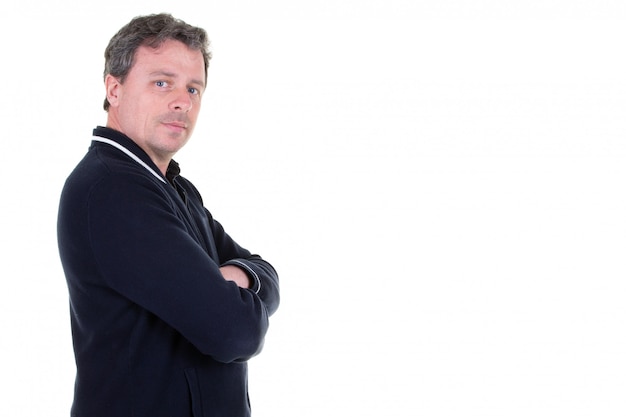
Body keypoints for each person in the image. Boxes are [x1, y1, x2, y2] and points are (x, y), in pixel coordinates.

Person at [57, 13, 280, 417]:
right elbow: (235, 332)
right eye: (162, 83)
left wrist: (239, 276)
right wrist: (225, 287)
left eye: (194, 88)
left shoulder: (173, 188)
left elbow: (267, 272)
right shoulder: (113, 190)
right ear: (114, 88)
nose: (182, 101)